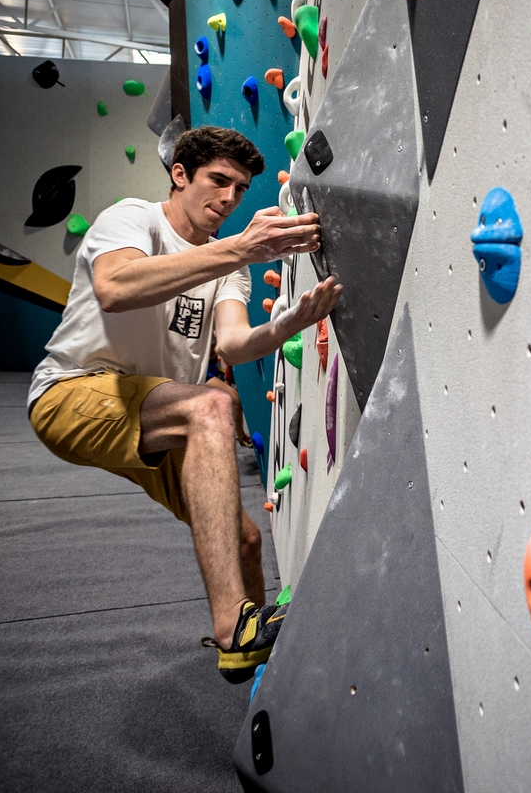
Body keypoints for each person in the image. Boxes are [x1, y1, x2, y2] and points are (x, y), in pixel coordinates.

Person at [27, 127, 340, 683]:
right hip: (70, 391)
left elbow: (234, 344)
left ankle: (253, 652)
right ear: (179, 175)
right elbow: (115, 287)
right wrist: (241, 245)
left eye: (241, 189)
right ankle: (232, 627)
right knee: (213, 404)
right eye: (219, 181)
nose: (229, 198)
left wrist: (290, 322)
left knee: (243, 539)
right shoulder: (133, 218)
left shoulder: (228, 266)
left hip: (154, 411)